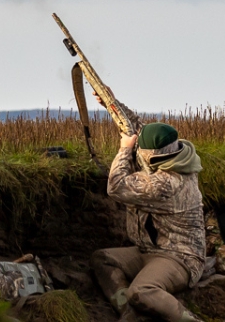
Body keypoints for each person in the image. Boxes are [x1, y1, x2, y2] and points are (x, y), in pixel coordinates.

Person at [91, 123, 209, 322]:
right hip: (148, 250)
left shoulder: (167, 183)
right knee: (102, 259)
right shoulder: (180, 160)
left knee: (140, 291)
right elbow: (144, 129)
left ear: (151, 155)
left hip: (180, 257)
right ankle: (130, 314)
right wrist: (109, 101)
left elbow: (116, 187)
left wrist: (125, 149)